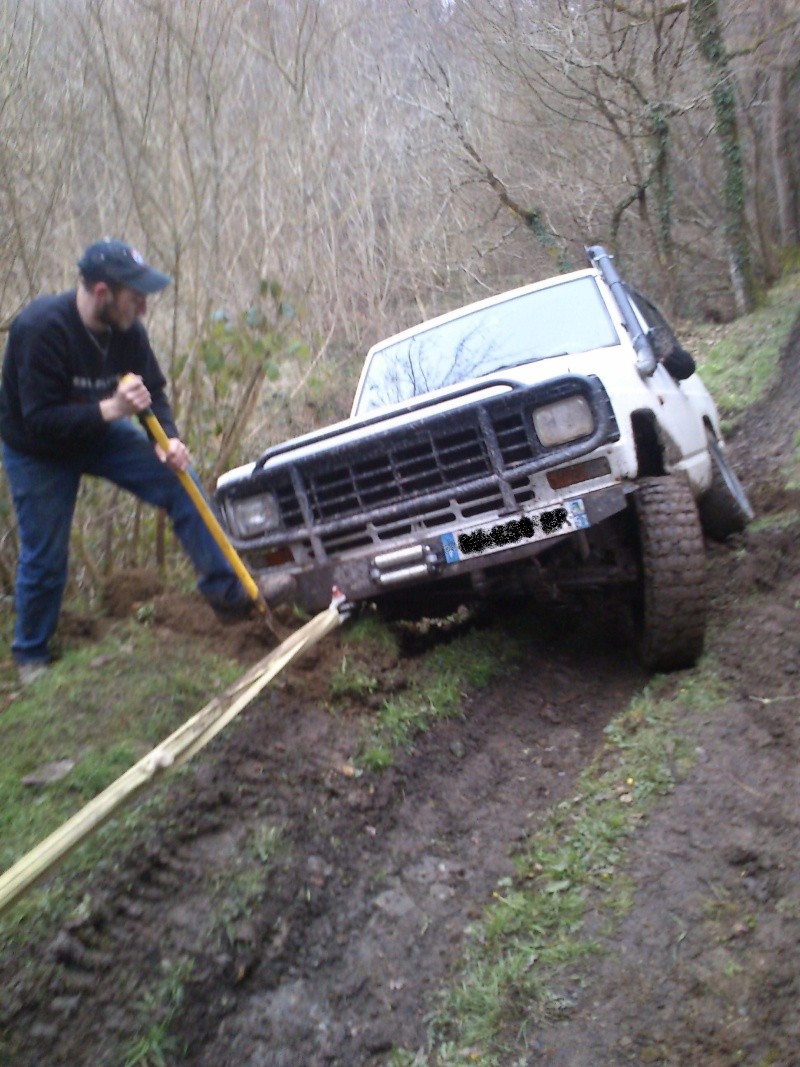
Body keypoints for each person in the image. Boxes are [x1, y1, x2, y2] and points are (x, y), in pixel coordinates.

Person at [0, 239, 253, 684]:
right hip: (36, 450)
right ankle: (31, 657)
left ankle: (232, 601)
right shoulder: (40, 329)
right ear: (103, 293)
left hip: (98, 433)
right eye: (136, 298)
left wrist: (169, 441)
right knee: (45, 555)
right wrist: (113, 410)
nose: (143, 309)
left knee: (180, 481)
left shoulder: (127, 332)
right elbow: (39, 421)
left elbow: (152, 390)